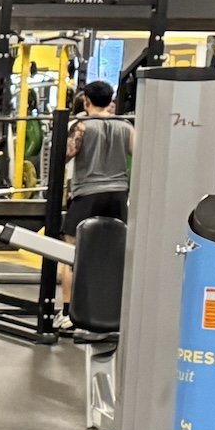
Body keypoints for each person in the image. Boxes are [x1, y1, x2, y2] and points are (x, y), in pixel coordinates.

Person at [61, 79, 134, 318]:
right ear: (111, 100)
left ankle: (67, 313)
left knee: (70, 254)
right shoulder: (125, 126)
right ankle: (111, 313)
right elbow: (140, 154)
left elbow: (66, 154)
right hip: (118, 195)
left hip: (87, 195)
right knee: (114, 253)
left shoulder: (81, 126)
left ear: (86, 100)